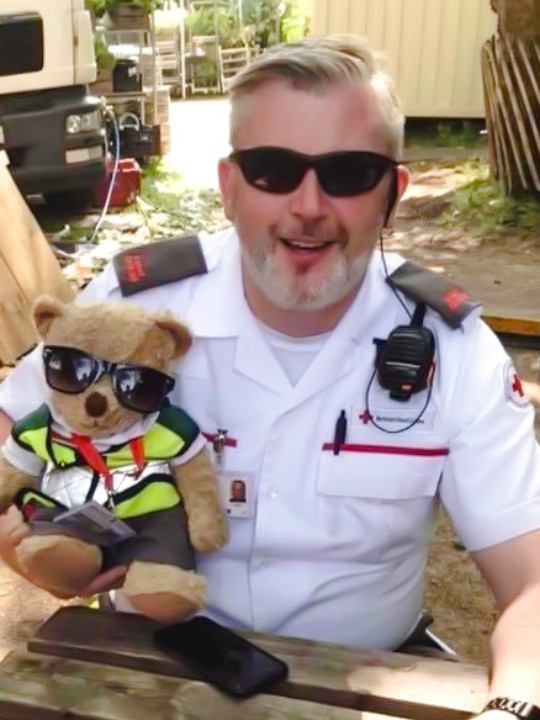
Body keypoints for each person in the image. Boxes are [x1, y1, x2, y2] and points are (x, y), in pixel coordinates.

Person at [1, 34, 540, 708]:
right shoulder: (137, 306)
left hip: (363, 676)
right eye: (273, 170)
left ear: (391, 194)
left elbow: (531, 584)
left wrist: (512, 706)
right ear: (229, 187)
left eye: (347, 173)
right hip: (144, 666)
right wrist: (24, 537)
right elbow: (8, 422)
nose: (309, 206)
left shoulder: (453, 349)